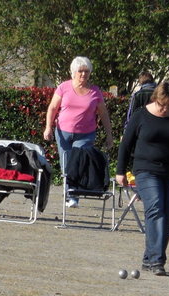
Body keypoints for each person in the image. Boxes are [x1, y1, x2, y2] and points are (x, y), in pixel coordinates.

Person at [115, 81, 169, 276]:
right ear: (156, 99)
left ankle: (150, 258)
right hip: (146, 170)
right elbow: (126, 145)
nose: (165, 109)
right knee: (156, 208)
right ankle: (157, 260)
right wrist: (120, 171)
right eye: (162, 104)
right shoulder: (140, 115)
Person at [43, 56, 113, 207]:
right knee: (66, 163)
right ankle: (69, 193)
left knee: (79, 163)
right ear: (73, 72)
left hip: (86, 134)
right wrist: (48, 127)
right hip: (63, 132)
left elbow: (104, 114)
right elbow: (53, 108)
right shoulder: (63, 87)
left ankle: (74, 196)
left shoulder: (95, 91)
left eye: (86, 71)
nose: (83, 74)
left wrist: (109, 135)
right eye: (80, 71)